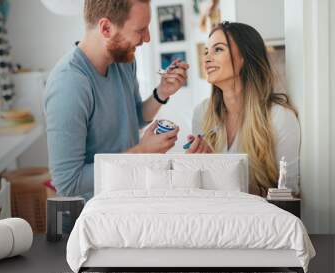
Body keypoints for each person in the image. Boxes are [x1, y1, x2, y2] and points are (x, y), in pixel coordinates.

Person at [44, 0, 189, 200]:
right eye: (140, 30)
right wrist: (142, 152)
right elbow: (68, 182)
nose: (147, 38)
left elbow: (134, 116)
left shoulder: (123, 62)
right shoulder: (69, 84)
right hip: (98, 213)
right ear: (106, 28)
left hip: (131, 194)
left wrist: (162, 92)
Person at [187, 21, 300, 197]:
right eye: (206, 51)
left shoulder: (279, 118)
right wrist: (195, 169)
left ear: (244, 58)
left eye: (218, 49)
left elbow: (290, 195)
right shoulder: (202, 113)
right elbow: (198, 191)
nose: (207, 59)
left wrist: (223, 174)